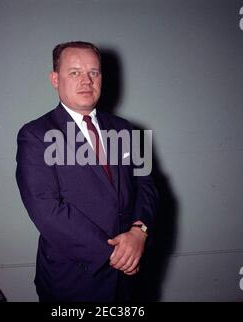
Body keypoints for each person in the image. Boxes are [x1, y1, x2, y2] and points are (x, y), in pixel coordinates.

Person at [16, 41, 158, 302]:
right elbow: (46, 210)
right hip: (74, 281)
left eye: (94, 72)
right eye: (75, 72)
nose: (87, 81)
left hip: (130, 280)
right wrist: (117, 255)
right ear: (55, 79)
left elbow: (147, 186)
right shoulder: (35, 135)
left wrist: (140, 231)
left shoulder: (127, 129)